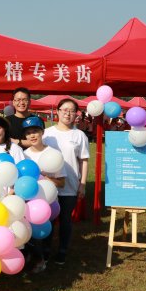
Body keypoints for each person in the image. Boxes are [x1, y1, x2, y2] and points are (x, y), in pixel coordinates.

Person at [42, 98, 89, 266]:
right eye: (65, 110)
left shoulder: (79, 135)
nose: (68, 113)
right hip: (48, 184)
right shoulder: (47, 133)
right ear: (58, 111)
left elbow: (84, 161)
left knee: (65, 219)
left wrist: (82, 184)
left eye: (72, 111)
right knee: (47, 219)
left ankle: (62, 250)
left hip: (70, 184)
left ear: (76, 114)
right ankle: (45, 251)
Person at [22, 116, 66, 273]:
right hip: (28, 202)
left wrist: (44, 177)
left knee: (45, 231)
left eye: (35, 131)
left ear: (42, 132)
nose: (32, 136)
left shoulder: (53, 154)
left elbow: (62, 182)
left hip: (48, 201)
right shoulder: (24, 155)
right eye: (28, 133)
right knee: (29, 232)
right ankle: (33, 256)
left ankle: (44, 258)